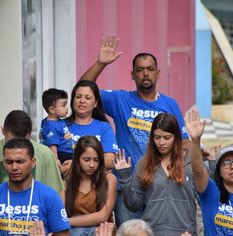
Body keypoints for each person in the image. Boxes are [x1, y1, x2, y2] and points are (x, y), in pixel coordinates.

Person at [80, 35, 189, 225]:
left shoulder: (170, 104)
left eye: (150, 69)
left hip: (161, 185)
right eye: (140, 70)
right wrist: (100, 63)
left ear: (158, 73)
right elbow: (83, 90)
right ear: (132, 75)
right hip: (127, 185)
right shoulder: (120, 100)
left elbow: (185, 142)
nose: (145, 74)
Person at [114, 113, 196, 235]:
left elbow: (206, 197)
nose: (161, 142)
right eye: (157, 137)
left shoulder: (190, 161)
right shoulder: (144, 162)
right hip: (152, 232)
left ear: (176, 137)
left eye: (167, 137)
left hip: (185, 233)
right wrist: (125, 177)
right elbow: (134, 205)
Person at [0, 110, 64, 195]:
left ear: (30, 134)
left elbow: (58, 194)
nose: (16, 148)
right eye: (11, 143)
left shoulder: (45, 154)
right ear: (3, 131)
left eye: (23, 143)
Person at [0, 137, 70, 235]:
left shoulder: (50, 197)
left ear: (33, 162)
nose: (14, 167)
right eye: (9, 162)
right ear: (3, 164)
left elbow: (63, 234)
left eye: (20, 162)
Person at [65, 136, 117, 235]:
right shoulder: (67, 183)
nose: (92, 165)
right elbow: (59, 217)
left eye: (96, 160)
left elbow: (103, 216)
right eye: (87, 160)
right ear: (77, 159)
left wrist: (68, 221)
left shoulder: (109, 179)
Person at [65, 80, 118, 172]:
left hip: (95, 180)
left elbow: (110, 161)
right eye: (78, 97)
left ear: (96, 103)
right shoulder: (61, 125)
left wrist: (76, 164)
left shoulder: (104, 127)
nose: (82, 101)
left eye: (87, 98)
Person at [41, 88, 73, 165]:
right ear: (52, 109)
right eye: (63, 105)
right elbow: (52, 144)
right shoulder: (50, 125)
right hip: (62, 154)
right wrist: (55, 159)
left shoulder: (58, 121)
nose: (67, 108)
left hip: (67, 151)